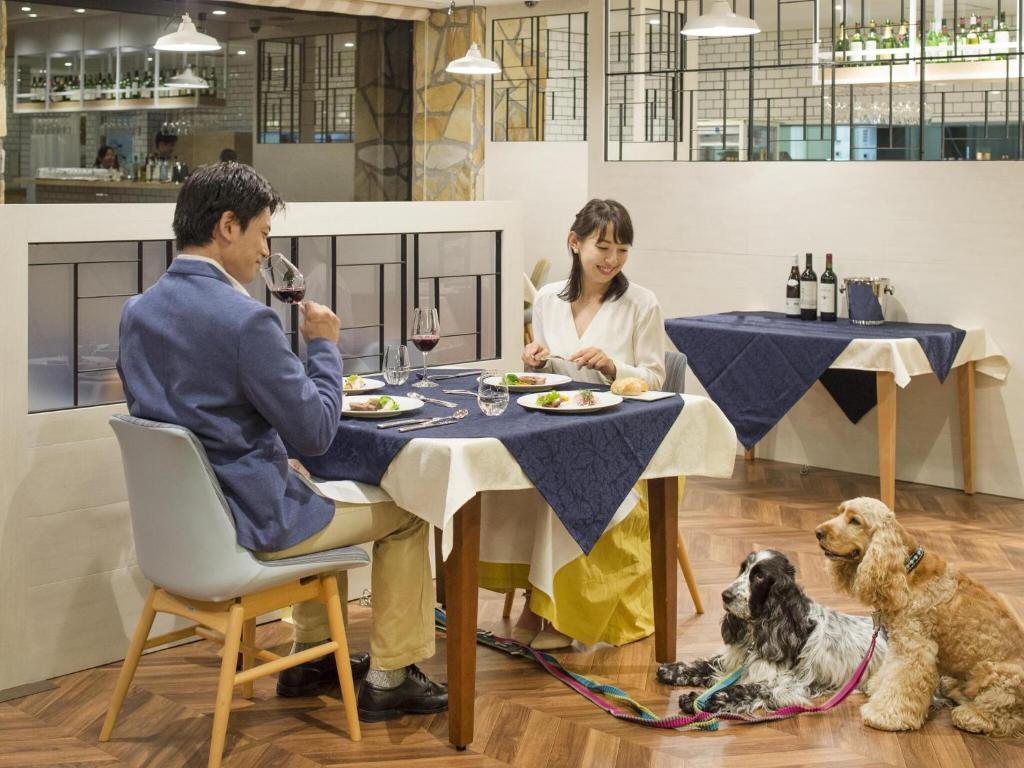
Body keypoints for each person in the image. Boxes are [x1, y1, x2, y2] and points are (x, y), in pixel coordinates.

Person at [116, 162, 446, 722]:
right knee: (409, 508)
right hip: (253, 520)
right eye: (264, 233)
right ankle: (392, 677)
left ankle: (308, 659)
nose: (266, 251)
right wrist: (323, 347)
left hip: (184, 533)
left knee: (315, 482)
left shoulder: (137, 311)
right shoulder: (247, 322)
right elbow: (317, 433)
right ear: (228, 226)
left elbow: (178, 419)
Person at [478, 198, 666, 650]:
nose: (611, 259)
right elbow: (544, 378)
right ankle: (534, 601)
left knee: (570, 485)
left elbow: (656, 378)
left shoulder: (642, 303)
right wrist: (534, 360)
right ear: (574, 243)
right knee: (515, 486)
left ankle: (560, 615)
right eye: (603, 247)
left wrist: (613, 368)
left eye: (622, 249)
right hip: (556, 429)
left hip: (620, 439)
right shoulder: (547, 300)